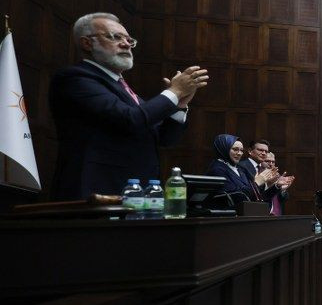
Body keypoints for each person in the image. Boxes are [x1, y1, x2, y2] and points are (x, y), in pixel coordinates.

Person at [49, 12, 209, 200]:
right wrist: (174, 92)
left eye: (128, 39)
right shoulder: (75, 78)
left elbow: (165, 139)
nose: (126, 44)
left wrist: (180, 105)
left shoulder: (124, 90)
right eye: (114, 37)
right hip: (95, 191)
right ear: (87, 43)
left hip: (136, 193)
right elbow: (130, 119)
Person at [206, 134, 279, 200]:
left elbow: (257, 197)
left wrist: (275, 186)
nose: (239, 153)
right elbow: (234, 198)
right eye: (235, 149)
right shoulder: (217, 169)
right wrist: (256, 182)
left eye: (241, 150)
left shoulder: (239, 169)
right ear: (224, 148)